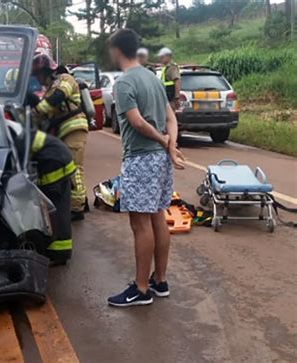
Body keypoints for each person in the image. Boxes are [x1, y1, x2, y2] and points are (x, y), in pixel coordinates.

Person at [106, 28, 185, 307]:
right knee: (157, 217)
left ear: (116, 51)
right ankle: (159, 280)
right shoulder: (152, 78)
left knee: (140, 224)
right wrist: (169, 145)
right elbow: (171, 117)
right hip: (160, 159)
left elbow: (137, 122)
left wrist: (165, 142)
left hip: (140, 158)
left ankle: (140, 289)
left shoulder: (125, 83)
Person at [30, 53, 89, 221]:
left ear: (47, 71)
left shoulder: (65, 79)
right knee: (69, 166)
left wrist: (34, 114)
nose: (38, 79)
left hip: (74, 128)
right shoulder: (50, 87)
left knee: (74, 168)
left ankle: (76, 209)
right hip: (65, 131)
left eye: (38, 75)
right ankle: (80, 202)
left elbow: (57, 98)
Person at [11, 123, 76, 263]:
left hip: (56, 166)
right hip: (60, 160)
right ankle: (58, 251)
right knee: (58, 209)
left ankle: (59, 254)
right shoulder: (20, 133)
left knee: (54, 209)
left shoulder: (16, 139)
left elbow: (16, 166)